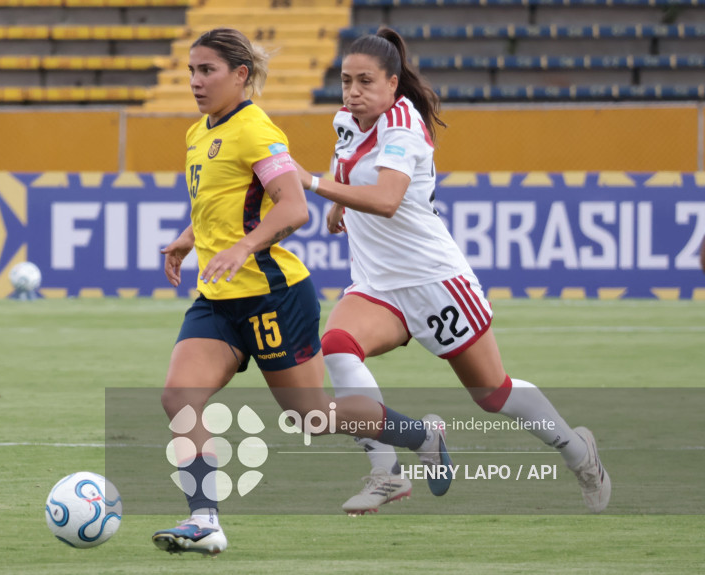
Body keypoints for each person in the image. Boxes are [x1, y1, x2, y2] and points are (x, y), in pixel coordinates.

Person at [150, 28, 454, 558]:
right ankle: (205, 521)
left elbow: (294, 208)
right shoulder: (198, 132)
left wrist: (245, 248)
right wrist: (187, 239)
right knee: (180, 396)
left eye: (208, 71)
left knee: (311, 416)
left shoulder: (257, 132)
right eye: (192, 71)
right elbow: (219, 207)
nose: (196, 82)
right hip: (218, 299)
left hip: (273, 295)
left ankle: (421, 436)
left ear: (240, 75)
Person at [295, 28, 611, 516]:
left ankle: (577, 452)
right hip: (379, 285)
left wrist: (314, 185)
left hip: (434, 282)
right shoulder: (347, 119)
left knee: (493, 393)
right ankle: (387, 471)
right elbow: (347, 162)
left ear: (393, 84)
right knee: (337, 346)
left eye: (365, 82)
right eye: (345, 81)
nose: (353, 93)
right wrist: (337, 197)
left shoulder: (402, 125)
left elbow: (386, 199)